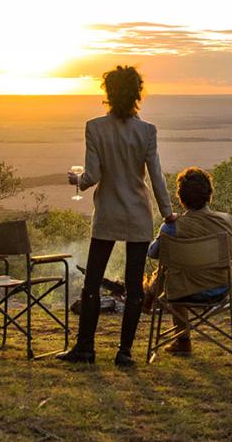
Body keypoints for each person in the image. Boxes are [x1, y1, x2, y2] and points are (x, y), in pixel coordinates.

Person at [58, 66, 175, 367]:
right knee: (135, 287)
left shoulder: (95, 127)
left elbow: (93, 175)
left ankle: (85, 348)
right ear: (138, 94)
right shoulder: (147, 131)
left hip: (107, 213)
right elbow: (157, 176)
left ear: (107, 94)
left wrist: (79, 182)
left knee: (92, 282)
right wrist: (168, 212)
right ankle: (124, 352)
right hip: (138, 212)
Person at [145, 166, 232, 355]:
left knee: (170, 273)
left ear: (181, 199)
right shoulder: (228, 221)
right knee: (176, 276)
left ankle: (183, 340)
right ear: (209, 194)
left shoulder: (172, 227)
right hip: (222, 288)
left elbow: (152, 253)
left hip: (183, 292)